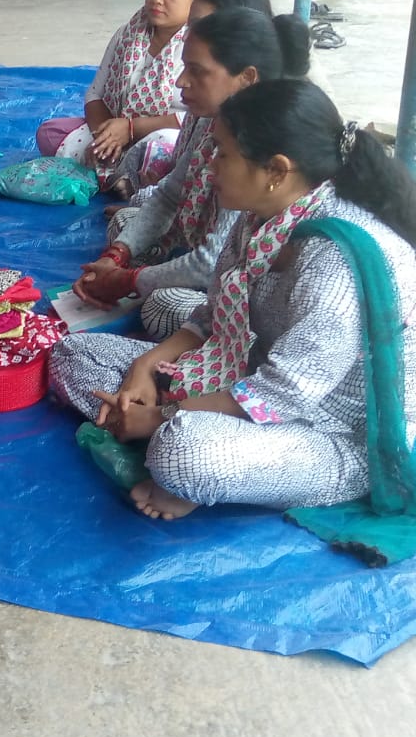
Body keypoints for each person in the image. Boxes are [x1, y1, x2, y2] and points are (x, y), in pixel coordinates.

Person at [50, 80, 416, 521]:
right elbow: (209, 316)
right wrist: (145, 368)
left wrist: (161, 416)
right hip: (247, 370)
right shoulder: (258, 219)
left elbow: (283, 395)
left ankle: (169, 448)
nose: (210, 168)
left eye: (221, 154)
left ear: (276, 170)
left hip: (337, 432)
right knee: (76, 354)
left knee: (183, 452)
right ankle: (151, 428)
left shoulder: (334, 259)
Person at [73, 3, 311, 339]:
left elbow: (214, 261)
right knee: (125, 225)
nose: (180, 82)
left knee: (163, 305)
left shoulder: (259, 148)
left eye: (196, 71)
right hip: (208, 261)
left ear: (247, 78)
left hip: (245, 301)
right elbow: (171, 193)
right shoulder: (211, 121)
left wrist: (127, 280)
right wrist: (118, 254)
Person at [35, 0, 216, 196]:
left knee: (163, 145)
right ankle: (120, 176)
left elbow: (196, 119)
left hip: (158, 138)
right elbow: (95, 94)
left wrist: (131, 128)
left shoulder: (200, 45)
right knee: (49, 132)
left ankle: (122, 177)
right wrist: (105, 138)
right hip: (115, 129)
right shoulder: (129, 33)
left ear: (197, 0)